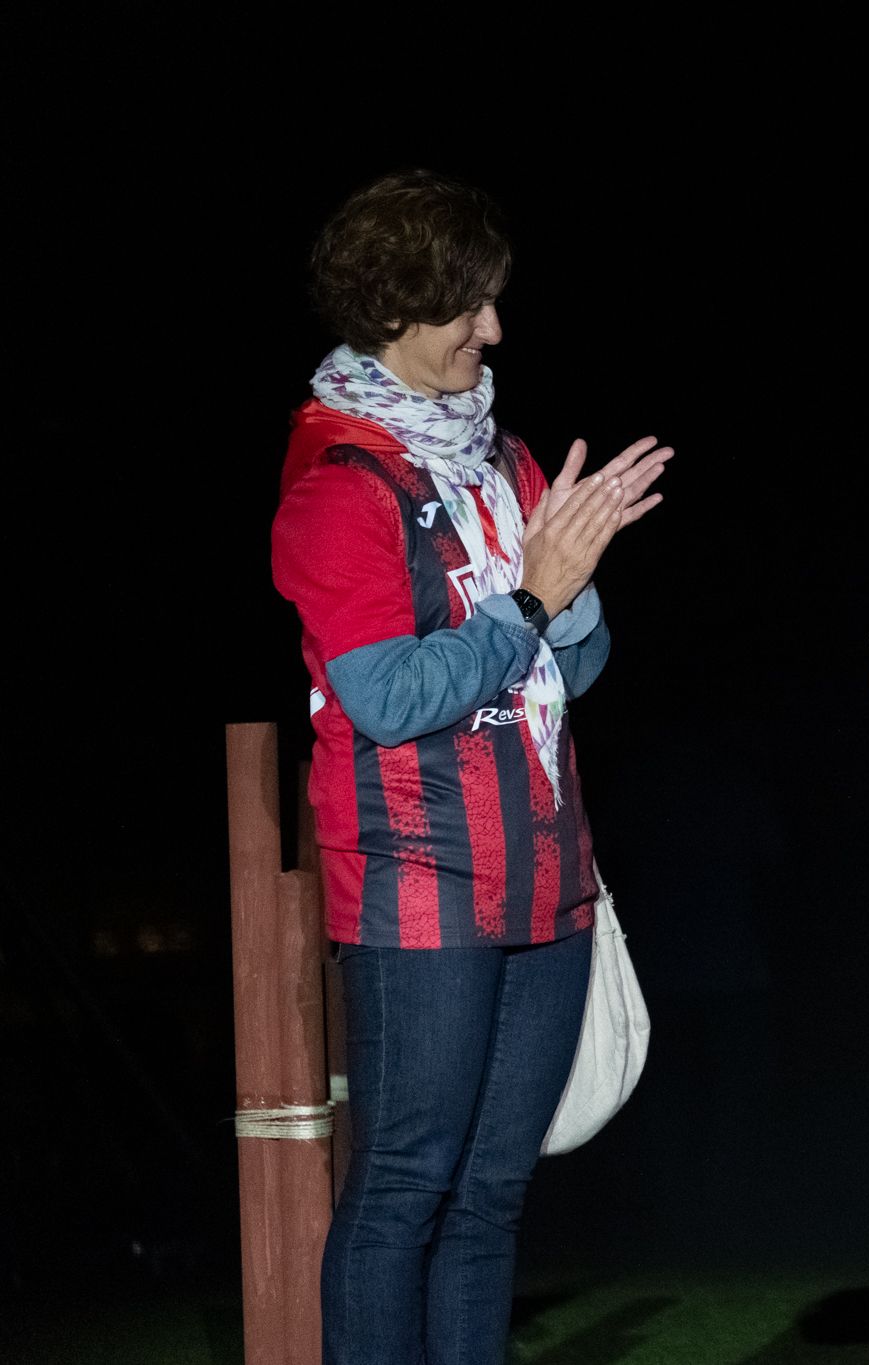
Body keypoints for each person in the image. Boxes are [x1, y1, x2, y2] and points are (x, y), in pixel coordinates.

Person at [271, 170, 669, 1365]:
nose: (492, 331)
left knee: (493, 1191)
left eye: (493, 303)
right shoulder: (339, 483)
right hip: (418, 879)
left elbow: (577, 665)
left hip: (545, 877)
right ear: (394, 307)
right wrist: (531, 593)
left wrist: (573, 568)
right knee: (404, 1185)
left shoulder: (503, 457)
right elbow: (387, 700)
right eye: (468, 308)